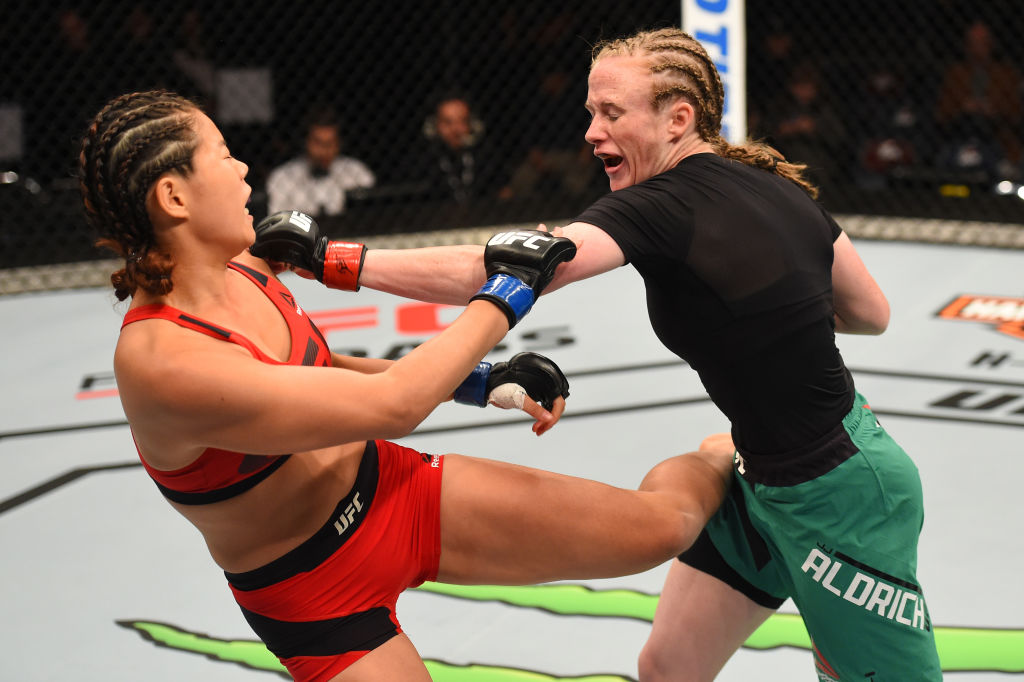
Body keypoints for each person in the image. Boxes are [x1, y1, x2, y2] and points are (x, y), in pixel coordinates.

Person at [258, 27, 942, 681]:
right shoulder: (778, 190)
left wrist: (330, 261)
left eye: (612, 113)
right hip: (763, 470)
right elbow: (868, 315)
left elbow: (500, 267)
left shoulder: (660, 207)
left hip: (840, 494)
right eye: (591, 111)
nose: (591, 132)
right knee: (668, 668)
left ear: (677, 120)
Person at [78, 89, 734, 681]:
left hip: (395, 493)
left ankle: (728, 455)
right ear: (174, 196)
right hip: (313, 596)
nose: (244, 169)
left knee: (661, 528)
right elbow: (391, 405)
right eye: (222, 155)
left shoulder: (244, 271)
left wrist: (481, 382)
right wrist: (505, 294)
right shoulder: (161, 361)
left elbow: (312, 380)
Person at [265, 105, 375, 217]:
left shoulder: (357, 172)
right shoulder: (282, 177)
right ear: (305, 142)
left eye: (330, 143)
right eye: (318, 143)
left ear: (339, 144)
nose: (324, 151)